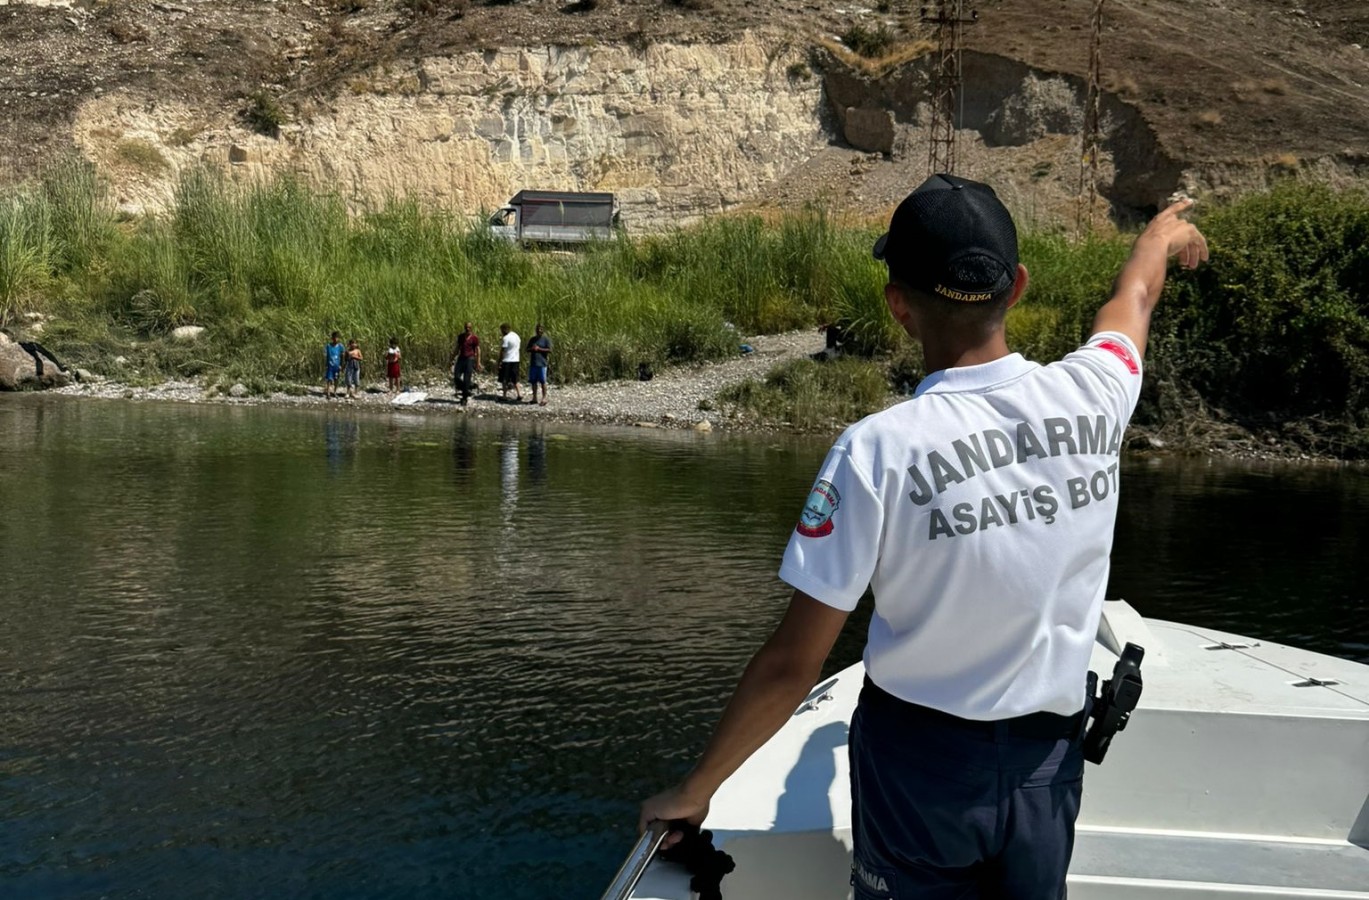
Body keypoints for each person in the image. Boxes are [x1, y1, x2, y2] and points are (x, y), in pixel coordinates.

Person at [638, 175, 1208, 898]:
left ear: (898, 305)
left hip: (921, 767)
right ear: (1019, 285)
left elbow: (792, 664)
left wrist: (696, 789)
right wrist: (1160, 234)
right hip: (1047, 764)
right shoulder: (1094, 393)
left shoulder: (876, 450)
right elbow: (1132, 300)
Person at [450, 322, 481, 406]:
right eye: (466, 327)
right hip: (461, 358)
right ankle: (469, 387)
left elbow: (478, 350)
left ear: (471, 328)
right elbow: (457, 348)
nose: (467, 329)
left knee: (467, 378)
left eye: (469, 327)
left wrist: (478, 362)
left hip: (469, 359)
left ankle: (464, 398)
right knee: (456, 377)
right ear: (464, 328)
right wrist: (452, 357)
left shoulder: (474, 338)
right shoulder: (461, 337)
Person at [526, 323, 551, 406]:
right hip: (533, 363)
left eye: (540, 329)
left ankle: (544, 398)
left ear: (543, 330)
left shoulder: (546, 339)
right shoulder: (532, 339)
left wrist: (539, 349)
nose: (539, 330)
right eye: (537, 329)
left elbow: (549, 350)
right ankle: (534, 398)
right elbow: (527, 349)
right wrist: (532, 349)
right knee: (533, 382)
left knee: (543, 381)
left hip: (542, 364)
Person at [498, 322, 523, 402]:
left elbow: (503, 350)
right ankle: (519, 394)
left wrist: (499, 361)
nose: (501, 332)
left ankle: (504, 395)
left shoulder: (506, 338)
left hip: (507, 360)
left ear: (504, 329)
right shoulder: (516, 336)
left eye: (501, 330)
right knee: (516, 379)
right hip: (516, 360)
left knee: (504, 379)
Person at [324, 331, 345, 399]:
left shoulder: (340, 346)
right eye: (334, 337)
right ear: (332, 338)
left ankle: (335, 392)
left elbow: (342, 356)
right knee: (329, 379)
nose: (336, 339)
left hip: (337, 365)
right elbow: (326, 356)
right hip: (330, 365)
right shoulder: (328, 346)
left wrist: (341, 365)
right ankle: (328, 393)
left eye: (337, 338)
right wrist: (326, 364)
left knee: (336, 379)